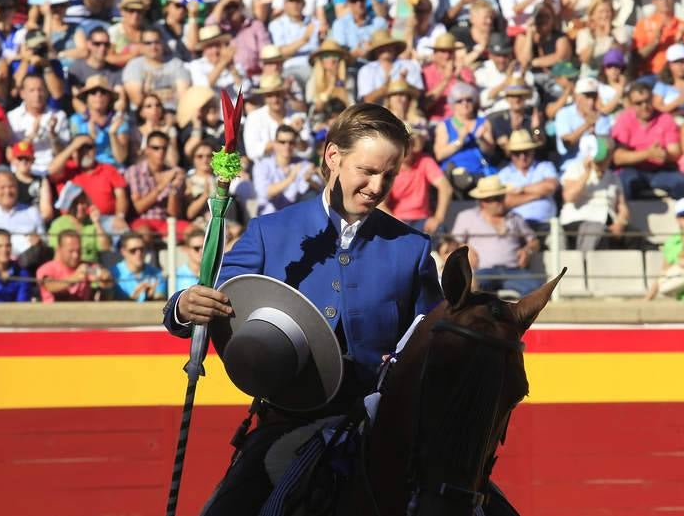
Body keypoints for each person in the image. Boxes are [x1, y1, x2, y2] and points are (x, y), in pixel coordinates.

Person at [162, 103, 443, 516]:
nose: (376, 186)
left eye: (390, 174)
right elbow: (219, 297)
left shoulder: (411, 247)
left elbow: (432, 336)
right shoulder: (269, 231)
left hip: (381, 427)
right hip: (287, 419)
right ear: (333, 157)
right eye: (367, 170)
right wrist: (185, 305)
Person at [452, 174, 543, 297]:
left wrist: (528, 250)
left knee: (538, 291)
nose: (500, 202)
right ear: (483, 201)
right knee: (471, 288)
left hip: (514, 271)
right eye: (494, 198)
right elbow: (452, 244)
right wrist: (463, 249)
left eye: (501, 197)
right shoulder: (467, 217)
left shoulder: (515, 218)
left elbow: (534, 242)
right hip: (483, 271)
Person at [611, 82, 684, 200]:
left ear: (652, 99)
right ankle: (627, 217)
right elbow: (617, 158)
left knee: (682, 182)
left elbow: (675, 151)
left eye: (647, 101)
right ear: (631, 104)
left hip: (661, 170)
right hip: (633, 170)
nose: (645, 106)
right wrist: (648, 154)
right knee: (624, 181)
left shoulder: (665, 118)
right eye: (639, 103)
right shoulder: (624, 120)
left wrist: (665, 154)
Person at [560, 135, 633, 250]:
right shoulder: (575, 169)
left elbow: (622, 205)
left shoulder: (614, 177)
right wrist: (587, 173)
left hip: (608, 223)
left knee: (635, 237)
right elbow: (569, 197)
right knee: (600, 235)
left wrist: (621, 223)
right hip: (581, 221)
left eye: (609, 154)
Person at [49, 135, 131, 237]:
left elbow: (121, 196)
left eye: (89, 147)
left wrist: (120, 217)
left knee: (124, 232)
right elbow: (51, 171)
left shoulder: (108, 169)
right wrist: (73, 146)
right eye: (80, 148)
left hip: (104, 220)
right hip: (72, 222)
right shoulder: (66, 169)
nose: (85, 152)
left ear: (95, 150)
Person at [385, 126, 452, 235]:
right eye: (402, 144)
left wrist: (438, 218)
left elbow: (445, 188)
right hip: (396, 220)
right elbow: (381, 204)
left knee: (440, 232)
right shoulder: (389, 167)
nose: (406, 149)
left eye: (409, 144)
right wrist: (395, 221)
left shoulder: (425, 161)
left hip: (424, 221)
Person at [7, 73, 70, 177]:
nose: (37, 95)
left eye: (40, 90)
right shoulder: (12, 117)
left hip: (52, 171)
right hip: (22, 172)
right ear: (22, 94)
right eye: (32, 90)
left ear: (46, 92)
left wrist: (53, 134)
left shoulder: (58, 116)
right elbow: (10, 154)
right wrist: (31, 135)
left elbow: (63, 153)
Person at [497, 129, 558, 235]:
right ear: (510, 154)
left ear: (533, 151)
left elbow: (551, 186)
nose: (522, 157)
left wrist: (521, 190)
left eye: (526, 152)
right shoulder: (503, 174)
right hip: (517, 227)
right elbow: (506, 202)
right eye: (517, 153)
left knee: (558, 237)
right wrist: (538, 194)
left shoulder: (545, 166)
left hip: (546, 224)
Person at [252, 124, 323, 215]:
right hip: (269, 217)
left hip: (295, 217)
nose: (287, 146)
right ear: (275, 143)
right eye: (282, 142)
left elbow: (319, 188)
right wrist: (290, 179)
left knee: (312, 195)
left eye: (291, 142)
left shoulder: (302, 164)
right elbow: (265, 192)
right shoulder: (262, 165)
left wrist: (310, 181)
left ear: (295, 145)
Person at [433, 81, 497, 180]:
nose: (465, 103)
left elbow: (491, 152)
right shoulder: (444, 125)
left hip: (480, 171)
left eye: (469, 100)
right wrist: (460, 141)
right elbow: (439, 155)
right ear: (453, 104)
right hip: (455, 174)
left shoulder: (483, 122)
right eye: (459, 101)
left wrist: (481, 139)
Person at [243, 74, 311, 164]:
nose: (275, 99)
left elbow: (309, 151)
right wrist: (285, 139)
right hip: (265, 169)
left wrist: (296, 135)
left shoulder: (298, 116)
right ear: (264, 97)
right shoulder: (254, 118)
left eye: (278, 94)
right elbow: (252, 152)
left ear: (284, 94)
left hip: (296, 167)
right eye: (270, 95)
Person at [0, 170, 45, 257]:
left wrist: (39, 242)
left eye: (11, 187)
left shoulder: (32, 212)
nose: (7, 192)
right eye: (2, 188)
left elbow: (45, 240)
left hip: (27, 265)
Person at [122, 26, 190, 113]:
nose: (153, 46)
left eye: (157, 42)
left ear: (163, 43)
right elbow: (138, 101)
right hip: (144, 118)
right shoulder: (134, 66)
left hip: (174, 115)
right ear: (141, 46)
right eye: (148, 43)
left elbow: (183, 98)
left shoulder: (176, 64)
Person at [69, 75, 130, 167]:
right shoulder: (76, 120)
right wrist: (90, 138)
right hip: (87, 170)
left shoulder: (120, 121)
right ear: (86, 98)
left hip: (114, 171)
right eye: (93, 92)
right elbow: (76, 156)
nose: (98, 95)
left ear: (109, 97)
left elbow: (121, 158)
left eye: (103, 92)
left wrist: (112, 134)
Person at [36, 229, 112, 302]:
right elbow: (50, 286)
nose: (75, 255)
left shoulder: (86, 266)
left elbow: (107, 281)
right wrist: (75, 277)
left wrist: (104, 277)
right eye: (71, 251)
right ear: (59, 249)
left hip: (83, 312)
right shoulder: (46, 269)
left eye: (78, 251)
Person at [47, 181, 112, 264]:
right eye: (75, 203)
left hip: (91, 268)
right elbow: (57, 256)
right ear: (68, 205)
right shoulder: (58, 224)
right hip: (68, 269)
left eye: (83, 202)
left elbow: (105, 248)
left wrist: (97, 223)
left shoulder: (93, 223)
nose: (80, 207)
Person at [632, 0, 684, 76]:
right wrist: (654, 43)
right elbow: (636, 60)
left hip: (677, 76)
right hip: (650, 75)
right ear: (654, 0)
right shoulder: (643, 25)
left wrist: (681, 44)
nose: (665, 0)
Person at [476, 34, 539, 116]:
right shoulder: (482, 71)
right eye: (498, 55)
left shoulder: (521, 71)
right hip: (493, 117)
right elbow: (482, 101)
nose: (501, 60)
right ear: (490, 55)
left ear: (511, 54)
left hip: (520, 116)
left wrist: (521, 81)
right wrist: (508, 81)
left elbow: (535, 100)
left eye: (505, 55)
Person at [555, 76, 612, 164]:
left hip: (597, 165)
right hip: (571, 166)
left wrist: (594, 131)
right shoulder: (564, 114)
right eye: (587, 97)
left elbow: (606, 146)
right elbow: (567, 143)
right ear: (577, 97)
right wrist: (586, 125)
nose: (591, 102)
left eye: (594, 97)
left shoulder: (603, 117)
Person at [356, 30, 423, 104]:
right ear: (375, 51)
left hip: (408, 110)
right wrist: (384, 88)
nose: (385, 49)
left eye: (388, 45)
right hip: (377, 111)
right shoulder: (366, 70)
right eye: (381, 47)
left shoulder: (409, 65)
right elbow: (367, 99)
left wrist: (406, 85)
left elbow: (419, 95)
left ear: (394, 47)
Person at [267, 0, 320, 85]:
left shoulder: (315, 23)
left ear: (304, 4)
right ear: (285, 4)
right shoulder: (277, 24)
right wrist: (304, 40)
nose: (295, 5)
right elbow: (281, 52)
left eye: (298, 1)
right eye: (291, 1)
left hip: (315, 66)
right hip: (291, 68)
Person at [422, 32, 474, 123]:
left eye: (450, 52)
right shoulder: (426, 73)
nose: (447, 56)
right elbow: (425, 104)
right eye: (442, 51)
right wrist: (446, 80)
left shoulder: (464, 71)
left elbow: (474, 100)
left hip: (463, 120)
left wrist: (458, 77)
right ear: (435, 53)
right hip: (438, 121)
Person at [68, 27, 123, 106]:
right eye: (97, 44)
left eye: (106, 44)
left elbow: (120, 101)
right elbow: (77, 100)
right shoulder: (76, 69)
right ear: (88, 44)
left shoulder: (116, 71)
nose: (102, 48)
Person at [575, 0, 630, 75]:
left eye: (607, 11)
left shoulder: (620, 31)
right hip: (591, 74)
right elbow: (584, 59)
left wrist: (609, 36)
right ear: (592, 15)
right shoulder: (584, 34)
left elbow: (622, 53)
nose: (604, 16)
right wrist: (596, 38)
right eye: (600, 12)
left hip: (614, 74)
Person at [330, 0, 388, 64]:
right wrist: (352, 55)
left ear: (366, 0)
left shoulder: (379, 22)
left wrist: (372, 51)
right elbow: (339, 51)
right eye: (354, 0)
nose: (359, 3)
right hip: (350, 68)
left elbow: (386, 50)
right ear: (348, 3)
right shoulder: (339, 24)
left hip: (374, 67)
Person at [111, 231, 167, 301]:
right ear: (123, 252)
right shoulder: (113, 274)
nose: (139, 253)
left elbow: (161, 304)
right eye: (133, 250)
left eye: (142, 249)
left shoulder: (157, 274)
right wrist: (131, 299)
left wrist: (150, 298)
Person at [9, 141, 54, 223]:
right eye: (20, 158)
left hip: (36, 224)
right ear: (13, 161)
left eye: (27, 158)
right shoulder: (8, 180)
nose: (24, 162)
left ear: (33, 160)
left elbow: (47, 213)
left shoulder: (41, 181)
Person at [132, 93, 179, 167]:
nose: (155, 108)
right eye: (149, 106)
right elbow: (136, 159)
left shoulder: (170, 130)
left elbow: (173, 162)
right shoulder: (135, 132)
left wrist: (166, 131)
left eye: (157, 105)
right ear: (141, 112)